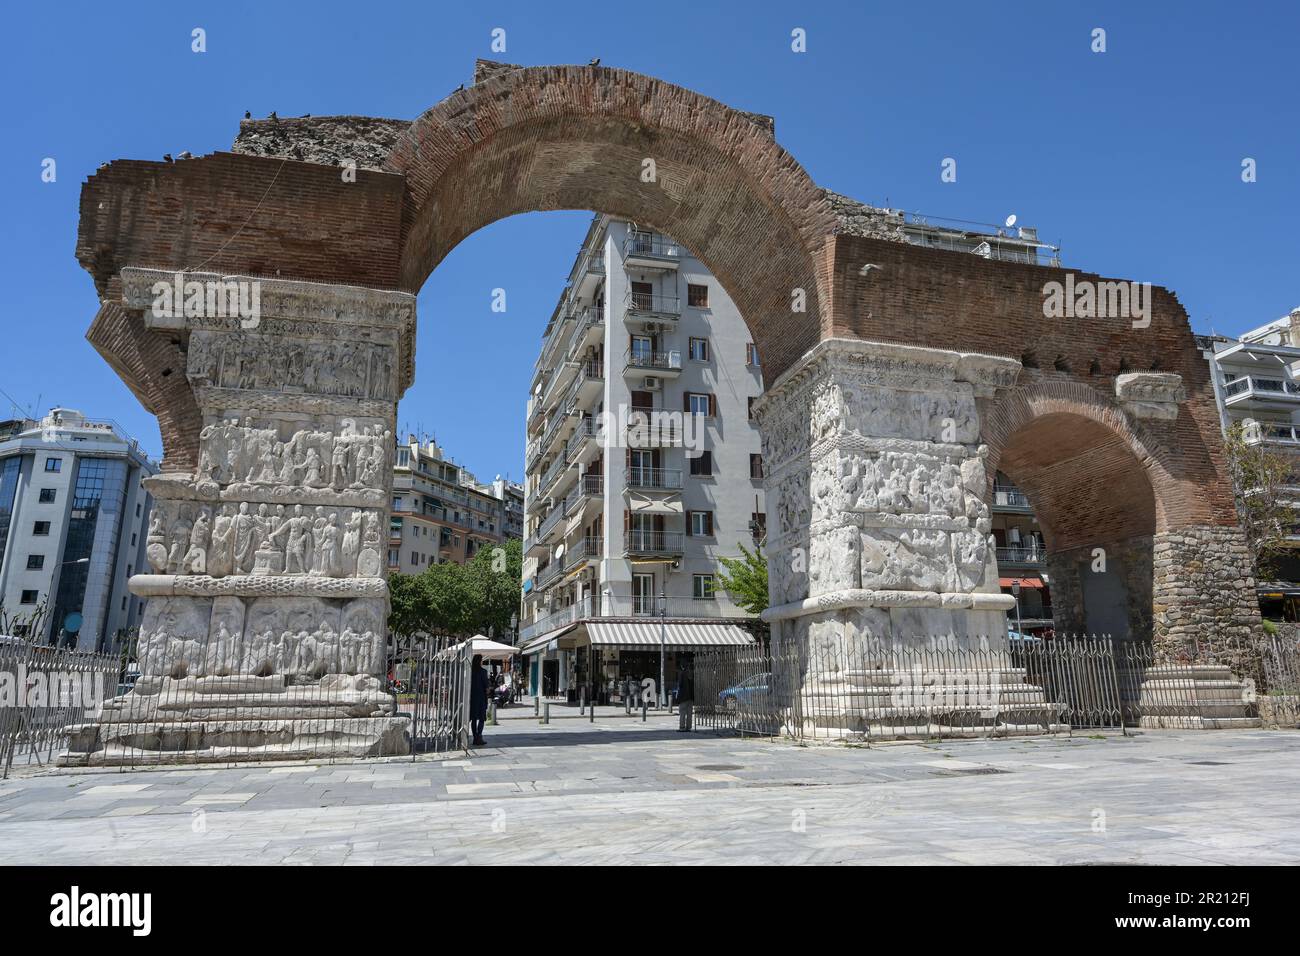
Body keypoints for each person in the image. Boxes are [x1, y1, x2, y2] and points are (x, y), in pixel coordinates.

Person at [470, 654, 488, 746]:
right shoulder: (483, 672)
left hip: (472, 698)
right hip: (481, 697)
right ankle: (479, 736)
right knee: (481, 718)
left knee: (473, 718)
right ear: (479, 661)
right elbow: (486, 685)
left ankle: (475, 737)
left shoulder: (470, 671)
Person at [677, 663, 695, 732]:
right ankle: (688, 727)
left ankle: (682, 727)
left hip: (683, 696)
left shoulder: (682, 674)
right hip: (690, 696)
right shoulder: (692, 674)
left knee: (682, 712)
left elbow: (680, 685)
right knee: (689, 713)